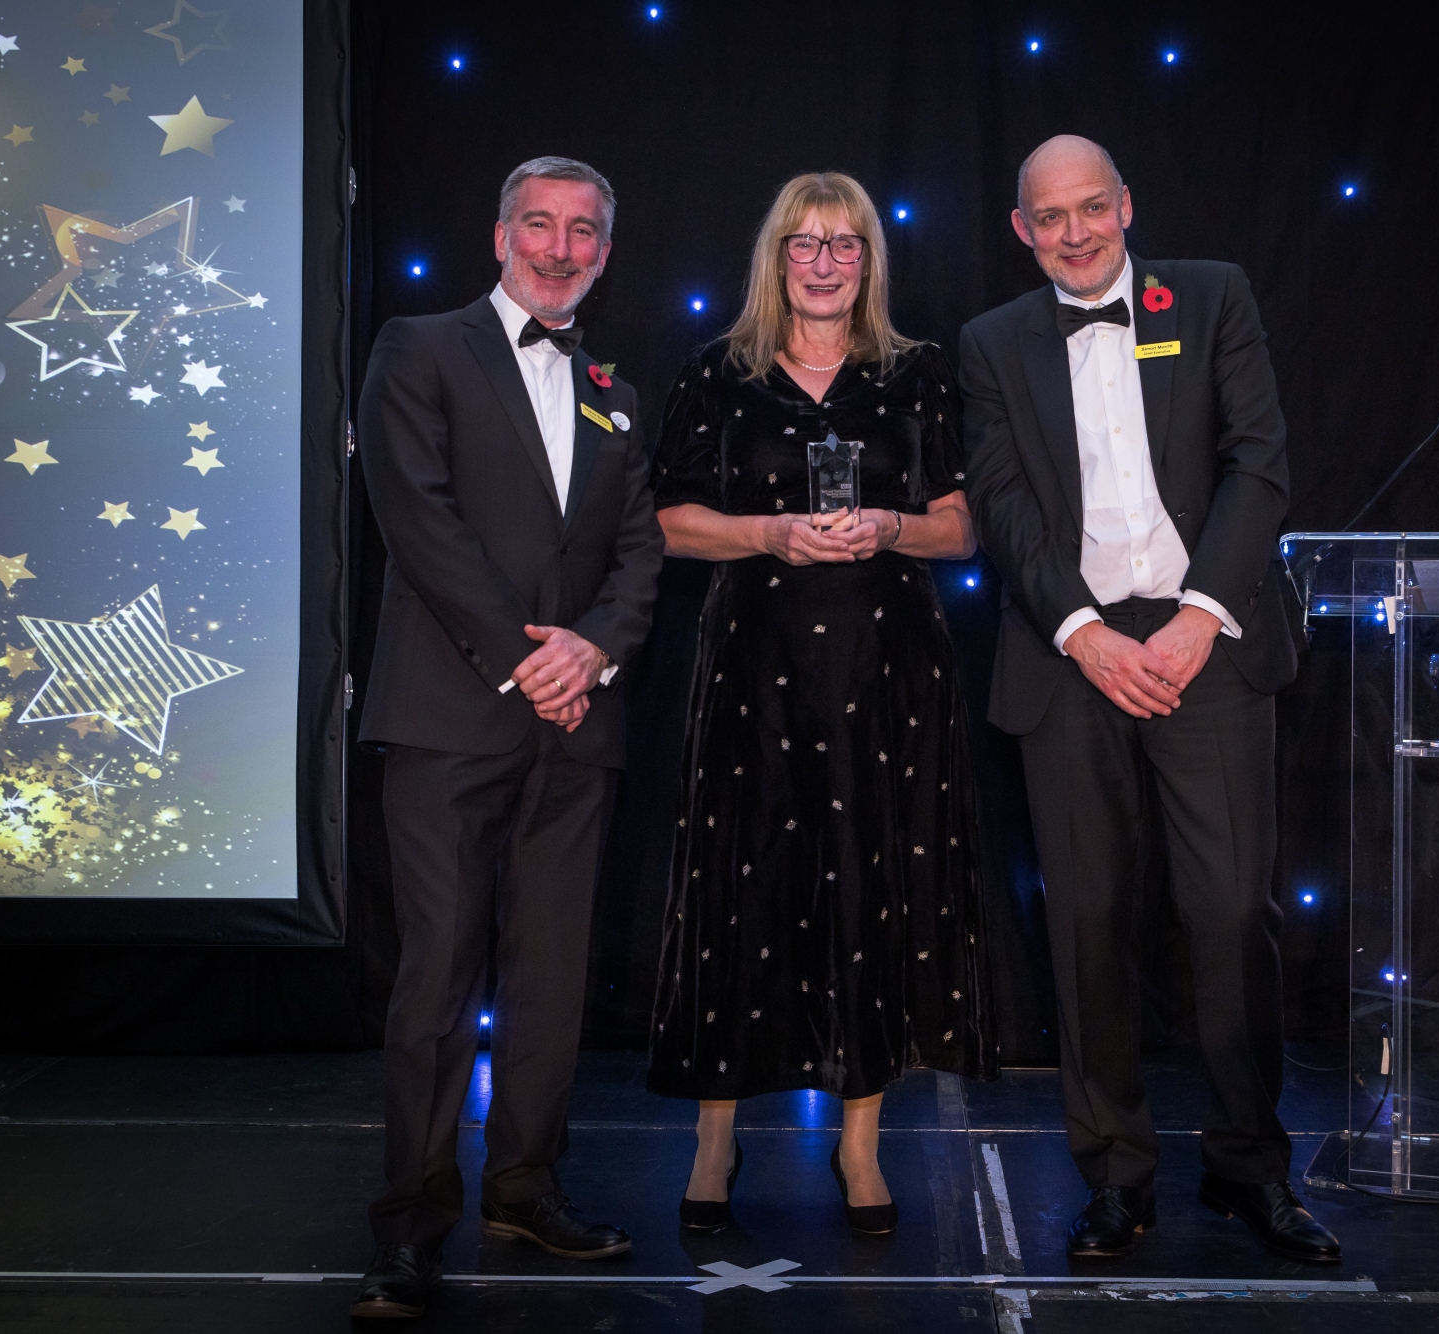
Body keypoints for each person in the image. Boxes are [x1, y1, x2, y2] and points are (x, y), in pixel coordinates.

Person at [957, 135, 1340, 1264]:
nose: (1073, 232)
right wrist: (1080, 632)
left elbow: (1257, 462)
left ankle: (1246, 1168)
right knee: (1086, 925)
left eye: (1091, 208)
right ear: (1020, 229)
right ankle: (1115, 1176)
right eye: (1049, 216)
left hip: (1205, 643)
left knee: (1230, 915)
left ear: (1125, 204)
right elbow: (1004, 505)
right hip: (1066, 654)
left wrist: (1195, 613)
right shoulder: (989, 343)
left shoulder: (1213, 297)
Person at [646, 171, 998, 1236]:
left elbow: (960, 527)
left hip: (887, 673)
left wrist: (888, 528)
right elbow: (668, 522)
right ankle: (715, 1133)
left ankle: (859, 1142)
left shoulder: (915, 372)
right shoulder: (718, 372)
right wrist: (769, 533)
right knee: (737, 886)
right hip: (754, 669)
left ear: (868, 261)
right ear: (774, 256)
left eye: (845, 245)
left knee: (869, 885)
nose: (824, 262)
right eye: (805, 244)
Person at [350, 156, 664, 1318]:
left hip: (578, 725)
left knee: (551, 975)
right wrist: (530, 660)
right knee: (435, 979)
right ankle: (410, 1224)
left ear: (605, 250)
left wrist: (593, 653)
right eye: (538, 224)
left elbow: (639, 552)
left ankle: (525, 1186)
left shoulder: (620, 387)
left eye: (584, 229)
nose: (560, 246)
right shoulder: (416, 347)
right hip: (449, 717)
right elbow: (416, 517)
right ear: (498, 235)